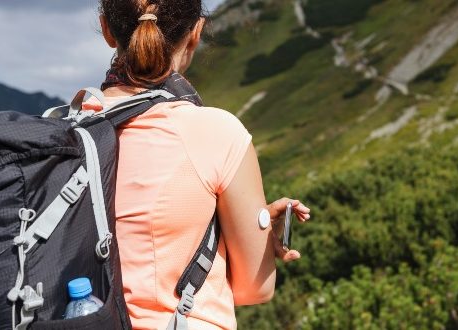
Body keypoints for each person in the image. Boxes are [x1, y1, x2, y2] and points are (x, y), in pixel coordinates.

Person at [87, 0, 311, 329]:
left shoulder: (67, 131)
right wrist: (253, 234)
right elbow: (256, 289)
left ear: (107, 29)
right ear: (196, 32)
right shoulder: (217, 132)